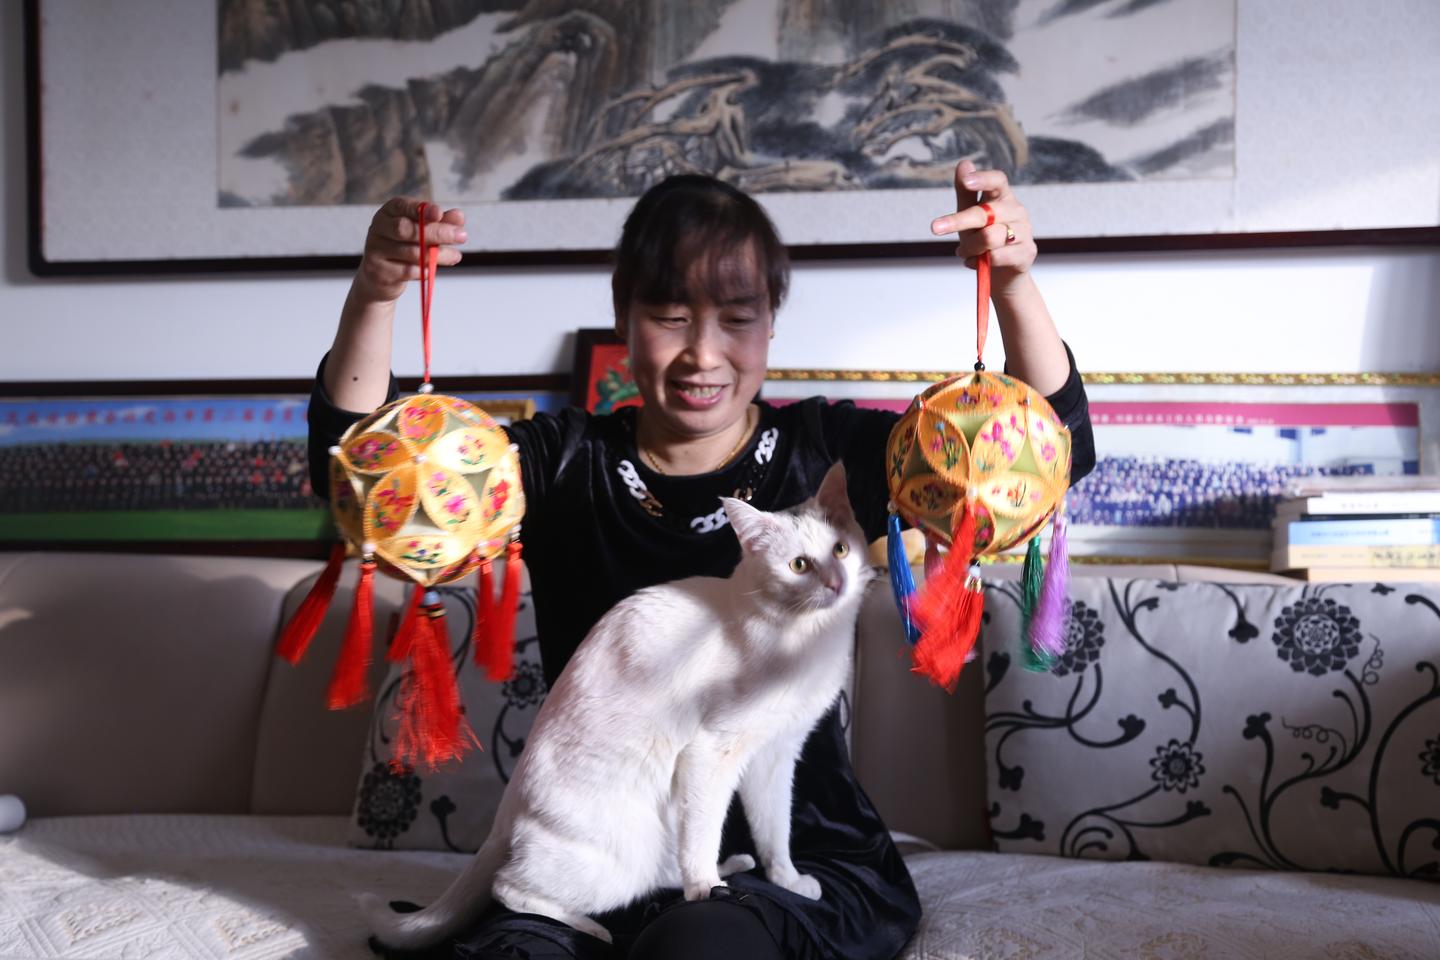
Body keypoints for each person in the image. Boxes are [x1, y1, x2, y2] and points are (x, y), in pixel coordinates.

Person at [308, 160, 1096, 960]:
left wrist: (1010, 284)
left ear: (771, 324)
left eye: (737, 318)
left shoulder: (825, 450)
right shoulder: (561, 461)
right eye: (670, 316)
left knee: (700, 946)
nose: (703, 354)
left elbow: (1052, 453)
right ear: (623, 317)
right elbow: (361, 477)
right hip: (606, 839)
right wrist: (377, 293)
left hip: (793, 854)